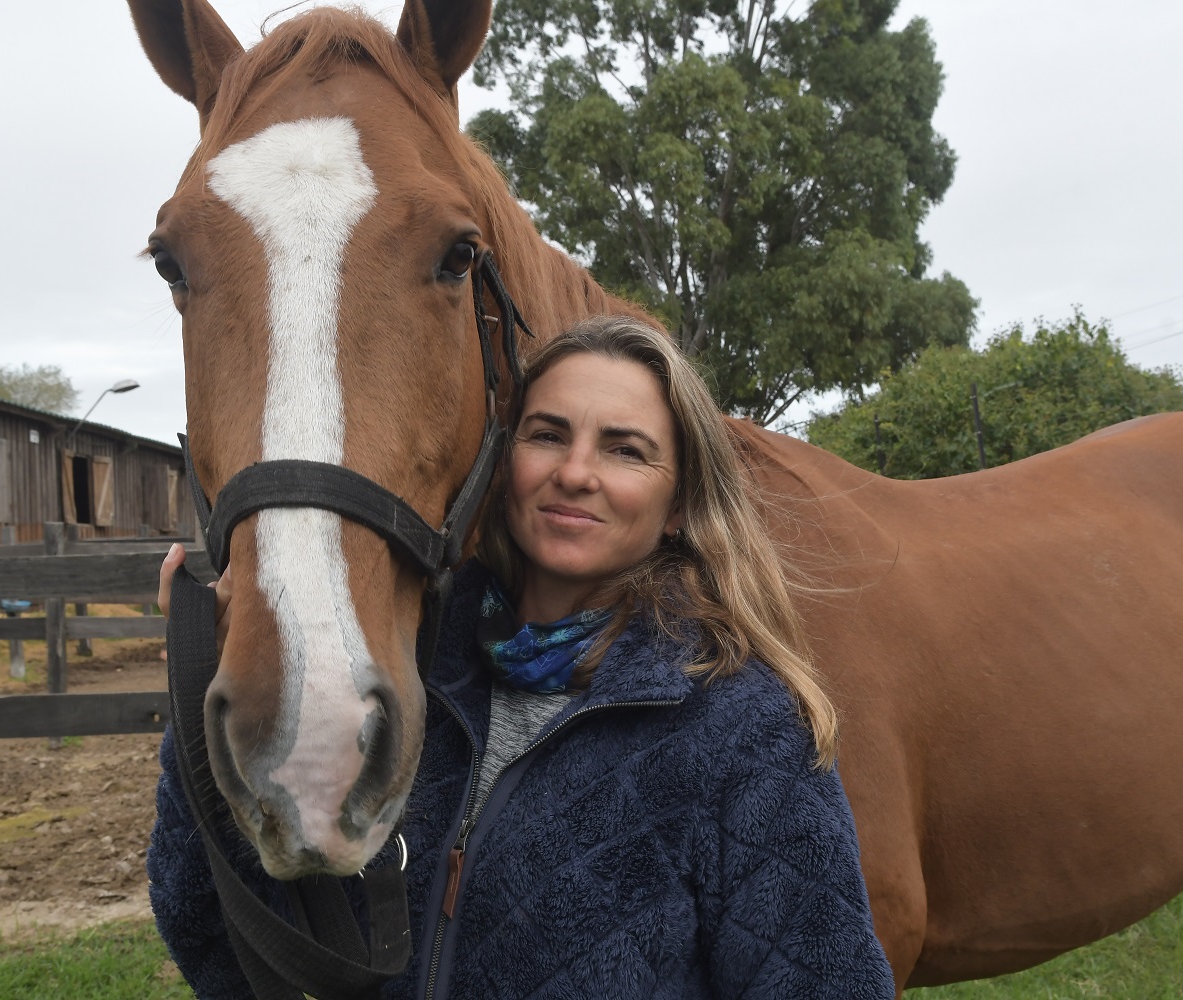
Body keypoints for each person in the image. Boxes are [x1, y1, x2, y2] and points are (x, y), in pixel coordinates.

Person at [150, 315, 895, 999]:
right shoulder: (413, 687)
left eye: (624, 449)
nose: (575, 472)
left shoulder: (741, 728)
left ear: (677, 508)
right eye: (546, 434)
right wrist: (206, 685)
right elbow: (215, 933)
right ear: (502, 466)